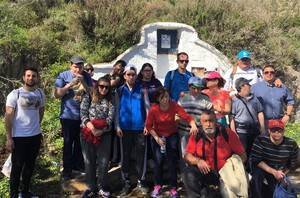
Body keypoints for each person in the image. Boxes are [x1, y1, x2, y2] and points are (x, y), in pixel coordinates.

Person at [145, 87, 198, 198]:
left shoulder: (173, 105)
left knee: (171, 162)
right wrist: (157, 138)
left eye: (167, 97)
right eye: (162, 97)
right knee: (158, 162)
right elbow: (148, 126)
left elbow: (187, 117)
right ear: (158, 99)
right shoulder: (154, 109)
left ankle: (173, 187)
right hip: (157, 136)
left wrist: (193, 124)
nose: (165, 99)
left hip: (171, 136)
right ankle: (157, 185)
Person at [183, 111, 247, 198]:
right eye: (205, 121)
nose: (208, 124)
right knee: (188, 173)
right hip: (205, 171)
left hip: (224, 174)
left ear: (216, 122)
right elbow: (187, 156)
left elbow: (243, 155)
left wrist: (233, 166)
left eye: (211, 121)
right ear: (201, 123)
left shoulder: (227, 133)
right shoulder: (196, 135)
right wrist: (198, 161)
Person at [5, 67, 45, 198]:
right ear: (23, 77)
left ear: (37, 78)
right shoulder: (15, 94)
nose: (31, 78)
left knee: (30, 166)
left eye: (34, 76)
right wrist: (9, 138)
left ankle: (25, 191)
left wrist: (37, 127)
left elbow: (41, 111)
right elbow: (8, 117)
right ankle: (13, 195)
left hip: (35, 136)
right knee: (16, 169)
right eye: (28, 75)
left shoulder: (40, 93)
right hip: (19, 137)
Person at [54, 55, 93, 180]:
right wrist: (69, 85)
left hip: (83, 116)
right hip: (67, 115)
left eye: (80, 66)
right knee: (67, 143)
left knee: (79, 143)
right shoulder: (63, 75)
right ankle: (67, 170)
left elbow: (92, 93)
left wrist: (83, 82)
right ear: (71, 65)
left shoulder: (86, 76)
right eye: (75, 66)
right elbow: (57, 95)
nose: (78, 69)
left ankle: (78, 167)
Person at [115, 65, 149, 195]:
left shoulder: (142, 89)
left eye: (133, 74)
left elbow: (147, 108)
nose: (131, 76)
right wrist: (117, 125)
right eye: (128, 74)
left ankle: (142, 180)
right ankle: (126, 182)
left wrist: (147, 125)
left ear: (136, 75)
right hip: (124, 129)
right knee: (125, 156)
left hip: (140, 128)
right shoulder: (119, 91)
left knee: (141, 156)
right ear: (124, 76)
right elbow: (117, 109)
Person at [80, 76, 114, 198]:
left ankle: (102, 186)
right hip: (87, 133)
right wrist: (92, 128)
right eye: (101, 86)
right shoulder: (89, 96)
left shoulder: (111, 99)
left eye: (106, 87)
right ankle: (91, 187)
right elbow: (83, 114)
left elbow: (110, 119)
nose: (104, 89)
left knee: (103, 162)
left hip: (104, 134)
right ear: (97, 86)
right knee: (89, 161)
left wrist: (102, 130)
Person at [250, 119, 299, 198]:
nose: (277, 133)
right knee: (256, 177)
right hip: (265, 169)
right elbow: (256, 160)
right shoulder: (260, 140)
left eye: (280, 130)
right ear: (269, 131)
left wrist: (282, 173)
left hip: (283, 171)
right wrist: (274, 172)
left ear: (283, 131)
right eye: (274, 130)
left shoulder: (291, 144)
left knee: (290, 186)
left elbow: (293, 164)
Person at [178, 77, 212, 164]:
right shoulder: (183, 97)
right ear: (189, 87)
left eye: (199, 88)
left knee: (198, 153)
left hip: (199, 130)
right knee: (184, 153)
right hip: (184, 130)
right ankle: (185, 174)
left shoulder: (206, 98)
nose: (197, 90)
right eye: (194, 88)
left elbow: (210, 114)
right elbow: (178, 113)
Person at [230, 77, 265, 164]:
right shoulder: (234, 100)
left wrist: (263, 128)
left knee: (255, 153)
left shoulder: (254, 99)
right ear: (242, 86)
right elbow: (232, 117)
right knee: (242, 154)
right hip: (241, 132)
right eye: (248, 84)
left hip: (254, 130)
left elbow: (260, 113)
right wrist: (233, 132)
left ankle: (253, 172)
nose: (250, 86)